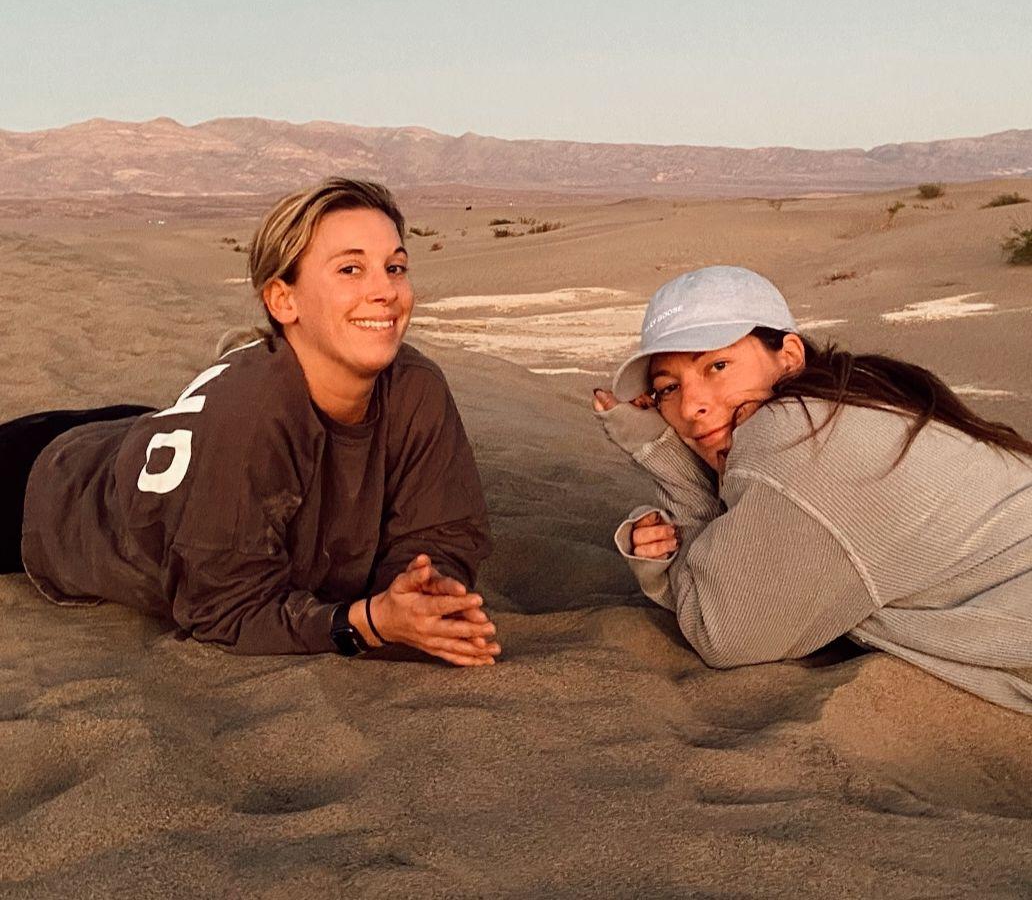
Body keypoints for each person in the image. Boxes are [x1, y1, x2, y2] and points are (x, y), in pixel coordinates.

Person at [4, 178, 500, 666]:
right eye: (351, 269)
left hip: (144, 432)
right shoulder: (250, 415)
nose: (385, 290)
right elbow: (223, 607)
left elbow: (444, 531)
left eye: (395, 267)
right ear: (283, 300)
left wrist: (421, 593)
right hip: (48, 487)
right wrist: (368, 623)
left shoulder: (416, 387)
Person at [593, 265, 1032, 713]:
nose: (691, 406)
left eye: (718, 366)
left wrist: (667, 460)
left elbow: (722, 632)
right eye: (668, 388)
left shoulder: (795, 438)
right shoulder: (843, 401)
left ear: (789, 356)